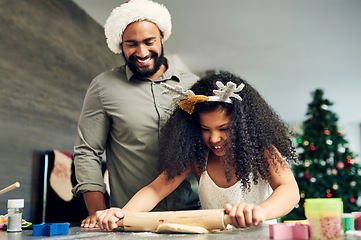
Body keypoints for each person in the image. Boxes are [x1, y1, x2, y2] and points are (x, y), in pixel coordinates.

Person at [96, 72, 300, 231]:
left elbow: (290, 191)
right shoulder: (198, 156)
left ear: (242, 126)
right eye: (205, 129)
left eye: (224, 129)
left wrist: (259, 211)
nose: (213, 138)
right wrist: (121, 214)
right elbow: (156, 189)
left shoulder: (261, 150)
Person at [72, 0, 200, 228]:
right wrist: (98, 212)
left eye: (149, 41)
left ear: (162, 37)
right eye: (131, 44)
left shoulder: (193, 86)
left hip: (194, 214)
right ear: (120, 44)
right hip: (129, 219)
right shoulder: (103, 87)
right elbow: (87, 152)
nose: (141, 52)